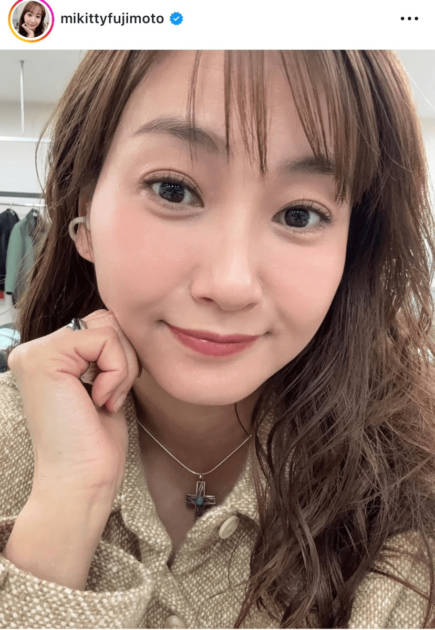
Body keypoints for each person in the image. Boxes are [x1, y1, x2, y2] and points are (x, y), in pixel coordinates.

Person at [0, 51, 433, 628]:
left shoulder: (411, 491)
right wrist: (63, 511)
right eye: (173, 190)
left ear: (352, 250)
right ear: (84, 215)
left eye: (300, 215)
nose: (230, 286)